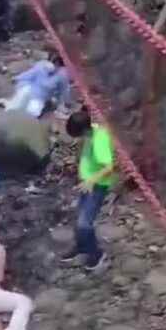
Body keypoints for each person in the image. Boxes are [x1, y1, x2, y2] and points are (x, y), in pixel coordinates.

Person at [60, 109, 117, 271]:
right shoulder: (90, 131)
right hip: (86, 183)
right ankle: (81, 246)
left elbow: (109, 167)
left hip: (96, 186)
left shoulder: (99, 141)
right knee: (79, 218)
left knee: (85, 224)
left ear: (84, 130)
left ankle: (97, 255)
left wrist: (91, 180)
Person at [0, 55, 72, 118]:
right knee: (15, 106)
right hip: (28, 88)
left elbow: (64, 91)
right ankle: (9, 106)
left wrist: (63, 103)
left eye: (56, 64)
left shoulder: (62, 76)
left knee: (32, 113)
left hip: (40, 97)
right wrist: (17, 78)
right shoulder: (41, 65)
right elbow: (30, 74)